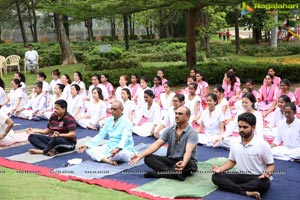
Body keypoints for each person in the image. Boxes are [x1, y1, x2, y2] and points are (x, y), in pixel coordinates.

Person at [211, 112, 275, 199]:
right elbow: (232, 161)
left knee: (264, 183)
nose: (241, 130)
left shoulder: (263, 144)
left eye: (245, 127)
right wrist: (220, 169)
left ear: (253, 127)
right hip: (240, 175)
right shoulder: (234, 142)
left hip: (257, 177)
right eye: (239, 127)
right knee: (216, 177)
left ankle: (234, 188)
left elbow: (271, 165)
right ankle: (246, 192)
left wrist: (267, 174)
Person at [130, 106, 198, 181]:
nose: (177, 116)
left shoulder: (192, 133)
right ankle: (175, 173)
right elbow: (157, 144)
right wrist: (140, 156)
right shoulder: (169, 130)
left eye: (180, 114)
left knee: (190, 164)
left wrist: (184, 163)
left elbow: (188, 151)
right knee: (148, 158)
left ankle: (159, 174)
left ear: (187, 117)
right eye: (176, 113)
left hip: (187, 161)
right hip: (171, 160)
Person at [78, 100, 135, 165]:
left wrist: (118, 148)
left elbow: (125, 138)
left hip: (124, 148)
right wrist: (87, 145)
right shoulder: (108, 120)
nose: (112, 111)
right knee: (89, 149)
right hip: (109, 148)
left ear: (121, 110)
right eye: (111, 109)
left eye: (114, 109)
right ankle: (109, 161)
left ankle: (107, 158)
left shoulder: (127, 122)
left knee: (120, 154)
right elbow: (100, 135)